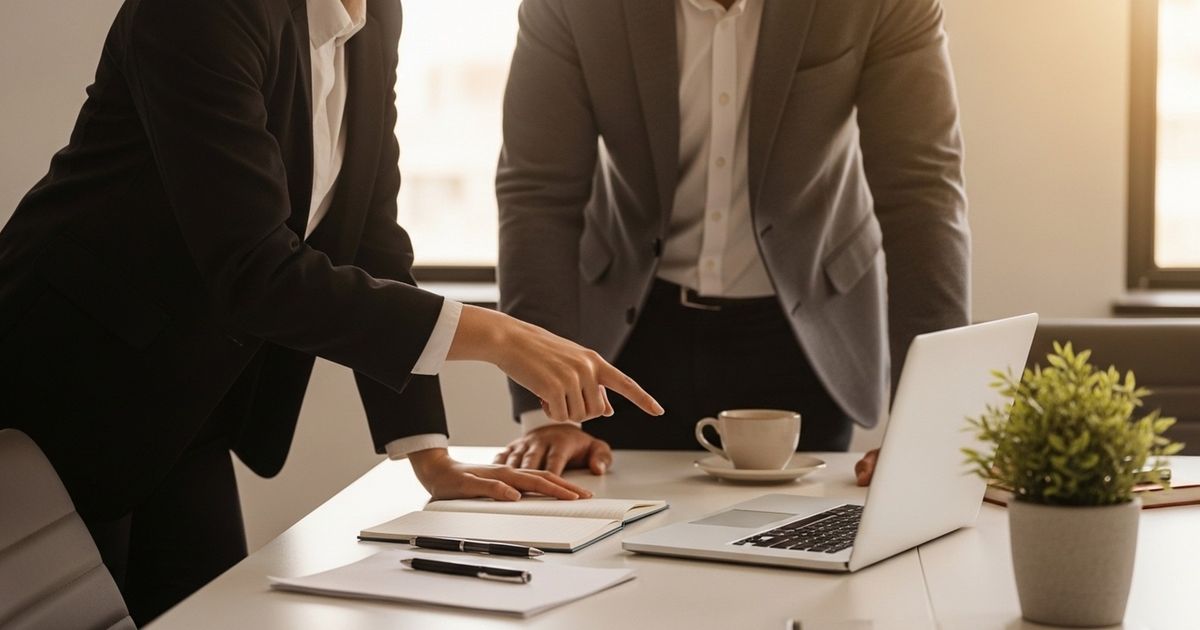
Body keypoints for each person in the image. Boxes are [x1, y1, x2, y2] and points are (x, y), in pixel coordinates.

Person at [0, 0, 661, 623]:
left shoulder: (372, 16)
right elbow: (256, 270)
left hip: (186, 397)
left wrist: (427, 454)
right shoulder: (201, 11)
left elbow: (370, 234)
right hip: (67, 382)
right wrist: (493, 334)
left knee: (214, 614)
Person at [494, 0, 969, 484]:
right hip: (629, 337)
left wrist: (928, 426)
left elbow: (921, 193)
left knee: (799, 543)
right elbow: (538, 195)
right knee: (620, 543)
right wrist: (547, 413)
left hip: (805, 334)